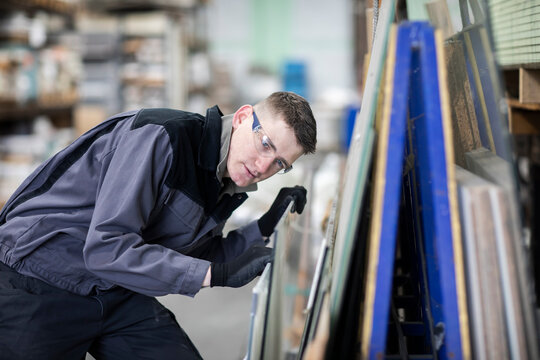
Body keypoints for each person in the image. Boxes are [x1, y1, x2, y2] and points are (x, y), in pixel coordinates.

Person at [0, 91, 317, 359]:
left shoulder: (223, 179)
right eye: (265, 144)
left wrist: (264, 225)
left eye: (280, 164)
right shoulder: (164, 137)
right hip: (38, 278)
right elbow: (106, 248)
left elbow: (195, 251)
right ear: (242, 117)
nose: (264, 167)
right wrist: (214, 277)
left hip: (111, 286)